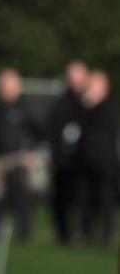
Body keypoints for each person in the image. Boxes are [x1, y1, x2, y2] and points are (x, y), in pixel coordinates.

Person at [0, 68, 42, 242]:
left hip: (19, 158)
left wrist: (31, 153)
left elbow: (38, 132)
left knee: (21, 194)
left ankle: (25, 233)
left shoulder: (26, 108)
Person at [74, 70, 118, 245]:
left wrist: (93, 104)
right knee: (84, 200)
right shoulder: (83, 106)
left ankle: (107, 234)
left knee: (106, 200)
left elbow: (108, 125)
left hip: (106, 162)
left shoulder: (110, 105)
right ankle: (84, 232)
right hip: (85, 162)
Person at [47, 60, 88, 244]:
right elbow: (54, 131)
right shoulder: (61, 102)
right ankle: (64, 234)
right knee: (62, 199)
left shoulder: (90, 102)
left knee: (83, 198)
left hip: (85, 161)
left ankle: (83, 232)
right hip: (63, 161)